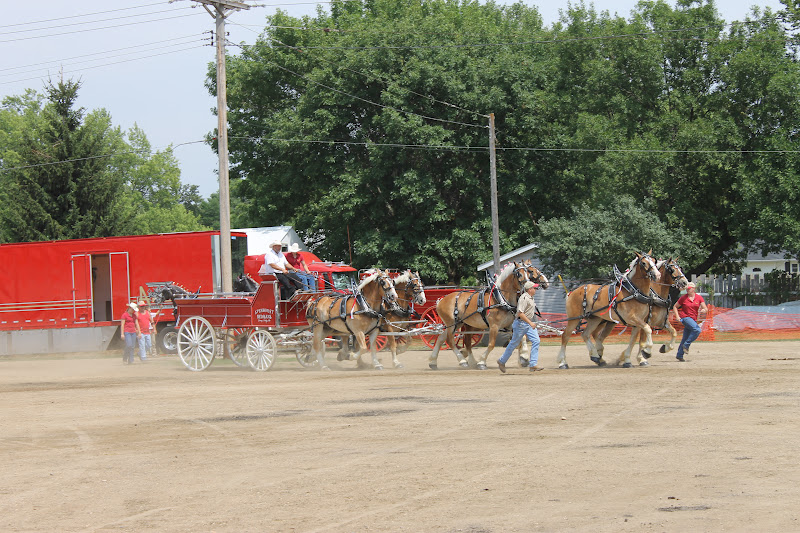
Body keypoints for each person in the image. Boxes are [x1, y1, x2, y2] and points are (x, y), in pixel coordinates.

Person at [497, 281, 543, 373]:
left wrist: (531, 323)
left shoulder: (531, 298)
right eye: (534, 288)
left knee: (536, 341)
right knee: (514, 343)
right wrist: (531, 323)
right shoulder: (524, 298)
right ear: (530, 289)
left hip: (528, 324)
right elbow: (520, 313)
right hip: (521, 324)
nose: (536, 289)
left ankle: (533, 364)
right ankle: (501, 361)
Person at [673, 281, 708, 362]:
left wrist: (704, 310)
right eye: (687, 289)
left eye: (689, 289)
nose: (687, 290)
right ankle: (686, 345)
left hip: (693, 319)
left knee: (685, 337)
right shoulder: (683, 298)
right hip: (685, 318)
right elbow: (675, 306)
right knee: (697, 330)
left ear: (693, 289)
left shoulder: (699, 298)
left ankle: (679, 355)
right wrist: (677, 316)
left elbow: (705, 308)